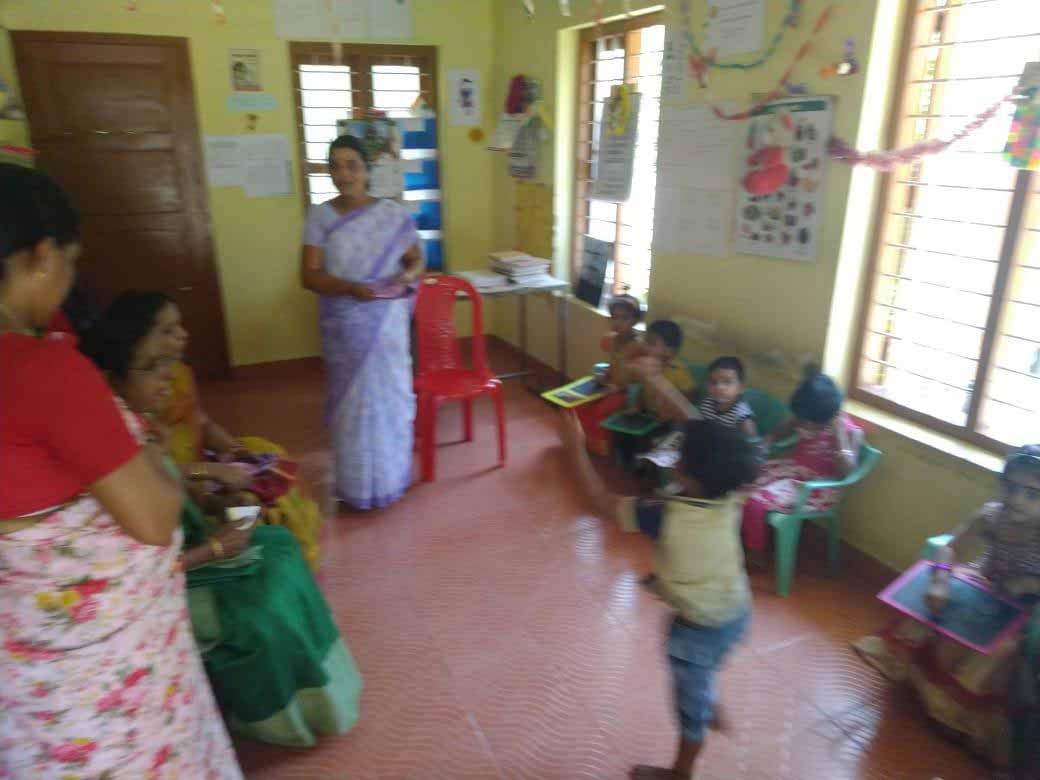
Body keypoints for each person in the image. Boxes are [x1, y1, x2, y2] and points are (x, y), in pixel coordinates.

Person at [0, 163, 241, 778]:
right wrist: (151, 447)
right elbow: (154, 519)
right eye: (70, 264)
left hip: (25, 679)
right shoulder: (44, 372)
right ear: (42, 254)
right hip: (93, 677)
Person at [84, 309, 363, 749]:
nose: (167, 376)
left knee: (282, 546)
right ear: (111, 379)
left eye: (166, 363)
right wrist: (214, 548)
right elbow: (131, 572)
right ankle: (275, 718)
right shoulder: (107, 456)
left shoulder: (140, 425)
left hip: (191, 545)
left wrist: (214, 503)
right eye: (151, 367)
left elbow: (174, 484)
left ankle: (320, 696)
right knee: (261, 610)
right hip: (167, 581)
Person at [558, 412, 758, 780]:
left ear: (683, 470)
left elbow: (598, 499)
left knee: (689, 712)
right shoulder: (732, 491)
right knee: (707, 665)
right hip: (738, 612)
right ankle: (707, 697)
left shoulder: (664, 515)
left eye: (680, 452)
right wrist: (657, 384)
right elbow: (706, 433)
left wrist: (575, 449)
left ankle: (682, 771)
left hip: (698, 630)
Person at [106, 291, 323, 569]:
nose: (182, 335)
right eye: (167, 331)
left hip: (191, 484)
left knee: (269, 465)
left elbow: (201, 423)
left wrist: (231, 452)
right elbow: (161, 479)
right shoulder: (121, 434)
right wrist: (210, 481)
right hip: (174, 535)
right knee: (276, 541)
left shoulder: (164, 389)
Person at [852, 447, 1040, 768]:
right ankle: (930, 694)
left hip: (1026, 606)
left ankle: (964, 716)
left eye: (1032, 494)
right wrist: (940, 580)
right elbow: (948, 549)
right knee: (933, 614)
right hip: (984, 580)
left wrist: (1027, 585)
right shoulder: (991, 516)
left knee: (1000, 649)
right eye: (1009, 487)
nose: (1016, 500)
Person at [301, 134, 424, 511]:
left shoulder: (391, 214)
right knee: (351, 409)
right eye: (335, 166)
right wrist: (350, 288)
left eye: (352, 165)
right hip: (346, 330)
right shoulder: (320, 217)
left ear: (367, 171)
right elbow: (308, 275)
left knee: (388, 404)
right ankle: (355, 486)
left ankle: (391, 478)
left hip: (386, 327)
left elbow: (416, 261)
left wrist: (403, 279)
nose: (343, 174)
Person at [741, 365, 860, 555]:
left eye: (810, 424)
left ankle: (756, 552)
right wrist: (765, 444)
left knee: (755, 500)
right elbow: (779, 431)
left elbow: (847, 472)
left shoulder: (849, 432)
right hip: (793, 472)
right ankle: (745, 535)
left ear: (828, 417)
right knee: (742, 481)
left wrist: (840, 438)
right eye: (802, 421)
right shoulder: (806, 416)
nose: (804, 425)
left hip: (818, 488)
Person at [575, 294, 643, 456]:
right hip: (610, 386)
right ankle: (588, 440)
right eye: (614, 317)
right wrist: (605, 375)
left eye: (624, 318)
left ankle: (602, 445)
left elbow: (639, 378)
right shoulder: (613, 340)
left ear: (635, 320)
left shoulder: (638, 345)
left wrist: (619, 387)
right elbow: (614, 365)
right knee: (580, 405)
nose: (618, 322)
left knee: (602, 410)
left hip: (629, 393)